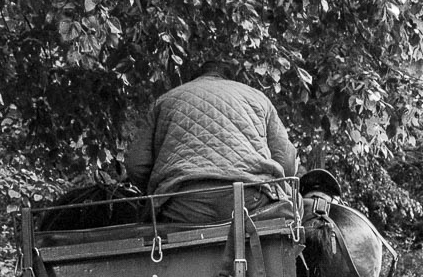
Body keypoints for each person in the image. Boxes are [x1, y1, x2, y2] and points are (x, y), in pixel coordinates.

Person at [124, 59, 299, 224]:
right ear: (230, 80)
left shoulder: (165, 100)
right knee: (297, 201)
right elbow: (286, 162)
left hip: (181, 204)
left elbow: (136, 165)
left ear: (195, 79)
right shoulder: (257, 97)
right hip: (249, 199)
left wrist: (160, 189)